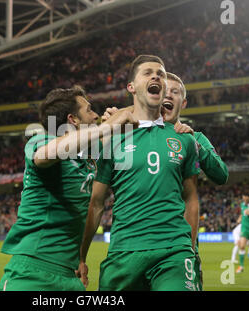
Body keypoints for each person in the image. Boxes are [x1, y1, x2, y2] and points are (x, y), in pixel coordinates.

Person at [79, 55, 201, 291]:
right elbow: (95, 203)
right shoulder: (112, 137)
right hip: (124, 252)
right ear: (132, 87)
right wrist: (81, 256)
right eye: (147, 72)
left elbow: (191, 198)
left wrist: (191, 248)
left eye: (161, 73)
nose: (156, 76)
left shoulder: (184, 138)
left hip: (173, 250)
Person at [0, 85, 136, 291]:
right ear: (73, 120)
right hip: (33, 274)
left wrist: (172, 121)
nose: (96, 115)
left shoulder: (87, 154)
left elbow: (127, 125)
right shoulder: (41, 141)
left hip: (70, 276)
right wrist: (108, 126)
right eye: (89, 110)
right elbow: (46, 155)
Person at [161, 72, 229, 290]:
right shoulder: (138, 134)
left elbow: (221, 175)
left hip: (181, 241)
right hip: (140, 240)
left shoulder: (196, 138)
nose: (168, 95)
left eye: (175, 92)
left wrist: (195, 145)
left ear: (184, 102)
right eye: (164, 91)